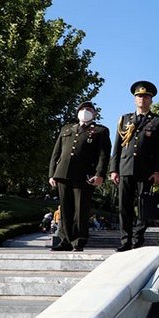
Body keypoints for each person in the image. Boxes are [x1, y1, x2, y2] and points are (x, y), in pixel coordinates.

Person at [109, 81, 159, 252]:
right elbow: (117, 147)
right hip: (125, 168)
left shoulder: (158, 122)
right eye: (139, 96)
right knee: (124, 206)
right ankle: (125, 240)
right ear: (135, 99)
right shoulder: (125, 120)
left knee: (144, 207)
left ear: (151, 100)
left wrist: (157, 170)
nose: (142, 99)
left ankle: (138, 238)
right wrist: (113, 169)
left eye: (146, 96)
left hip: (146, 171)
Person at [48, 101, 111, 251]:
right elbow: (56, 153)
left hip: (85, 175)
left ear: (94, 114)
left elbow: (104, 155)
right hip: (63, 174)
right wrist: (52, 174)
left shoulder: (100, 131)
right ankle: (65, 240)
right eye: (83, 109)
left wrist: (100, 174)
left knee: (80, 209)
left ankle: (78, 241)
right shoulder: (67, 129)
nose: (85, 111)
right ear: (78, 112)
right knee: (65, 209)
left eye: (89, 109)